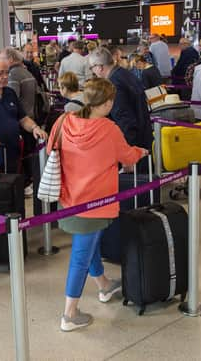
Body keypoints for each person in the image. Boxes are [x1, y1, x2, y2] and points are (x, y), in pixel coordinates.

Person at [47, 78, 148, 332]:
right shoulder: (108, 129)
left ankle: (103, 284)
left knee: (87, 244)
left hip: (69, 199)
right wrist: (140, 152)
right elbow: (127, 156)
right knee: (80, 256)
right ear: (108, 102)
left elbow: (51, 148)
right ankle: (69, 314)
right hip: (96, 202)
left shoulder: (63, 121)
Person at [88, 47, 153, 151]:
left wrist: (127, 151)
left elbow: (124, 119)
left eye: (91, 68)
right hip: (143, 137)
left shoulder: (114, 84)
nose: (92, 71)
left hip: (133, 144)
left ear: (99, 67)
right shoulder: (124, 73)